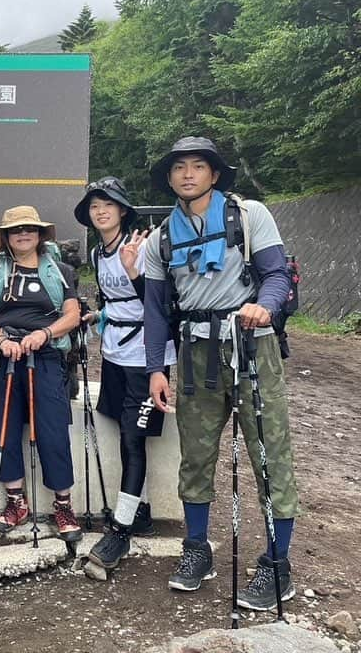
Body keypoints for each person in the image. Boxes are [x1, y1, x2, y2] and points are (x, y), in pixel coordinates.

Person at [143, 137, 298, 609]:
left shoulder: (250, 216)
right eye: (179, 168)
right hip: (194, 351)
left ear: (214, 174)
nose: (187, 174)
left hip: (253, 345)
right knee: (196, 453)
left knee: (269, 451)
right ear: (170, 178)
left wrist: (266, 308)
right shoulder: (159, 238)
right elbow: (154, 310)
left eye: (198, 166)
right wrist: (156, 369)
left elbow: (277, 275)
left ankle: (276, 565)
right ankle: (196, 550)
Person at [73, 177, 177, 570]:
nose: (100, 211)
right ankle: (140, 510)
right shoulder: (100, 253)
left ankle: (120, 530)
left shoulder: (143, 245)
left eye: (108, 204)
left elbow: (159, 301)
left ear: (122, 210)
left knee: (133, 440)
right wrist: (97, 315)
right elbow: (115, 300)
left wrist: (135, 271)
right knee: (124, 431)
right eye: (94, 206)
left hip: (146, 358)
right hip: (115, 352)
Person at [0, 206, 83, 542]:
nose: (23, 235)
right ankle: (15, 502)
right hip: (2, 357)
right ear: (6, 237)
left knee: (52, 431)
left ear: (39, 235)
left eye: (29, 230)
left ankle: (62, 505)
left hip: (45, 356)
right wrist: (1, 339)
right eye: (16, 230)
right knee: (5, 431)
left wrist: (45, 334)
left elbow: (73, 314)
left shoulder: (59, 270)